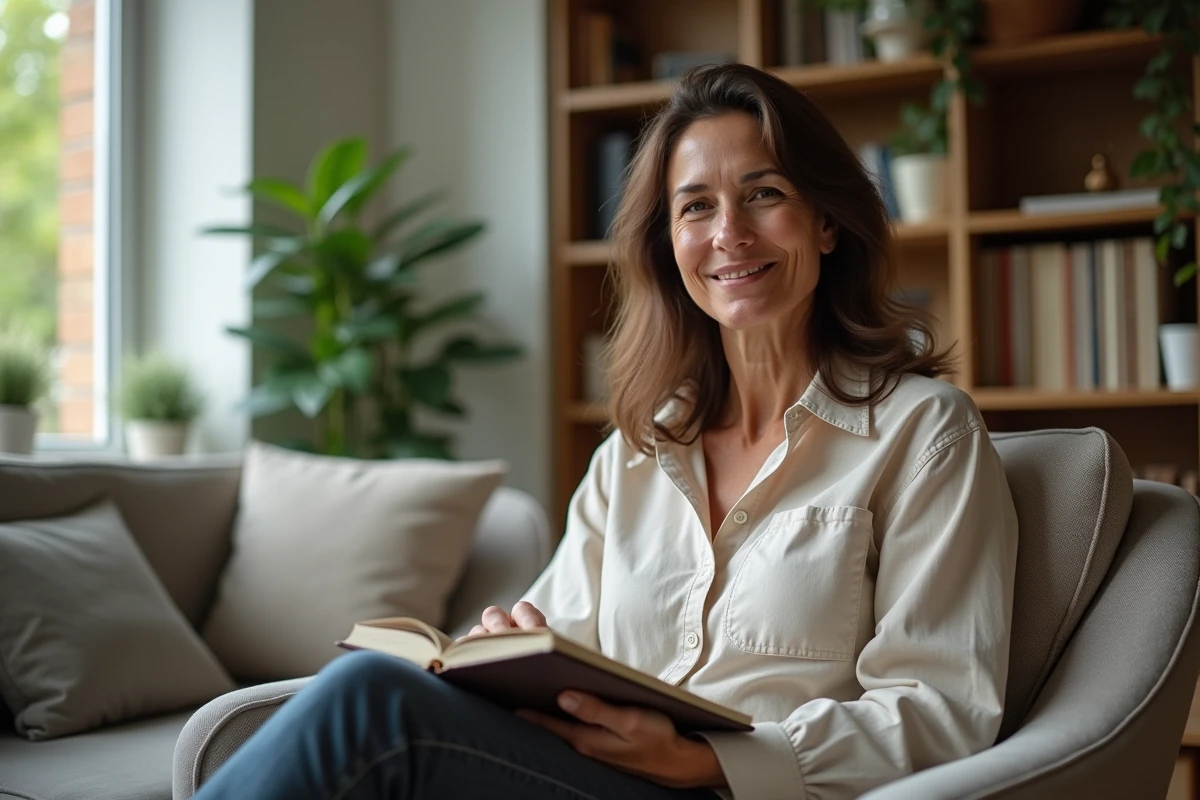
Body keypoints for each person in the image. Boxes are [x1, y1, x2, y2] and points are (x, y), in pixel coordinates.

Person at [192, 63, 1018, 800]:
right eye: (697, 206)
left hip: (746, 792)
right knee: (384, 687)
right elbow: (563, 635)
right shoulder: (637, 451)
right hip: (591, 776)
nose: (729, 232)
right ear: (670, 244)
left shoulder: (923, 434)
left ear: (827, 223)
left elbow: (941, 707)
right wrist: (507, 650)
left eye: (764, 194)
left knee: (370, 702)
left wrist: (711, 760)